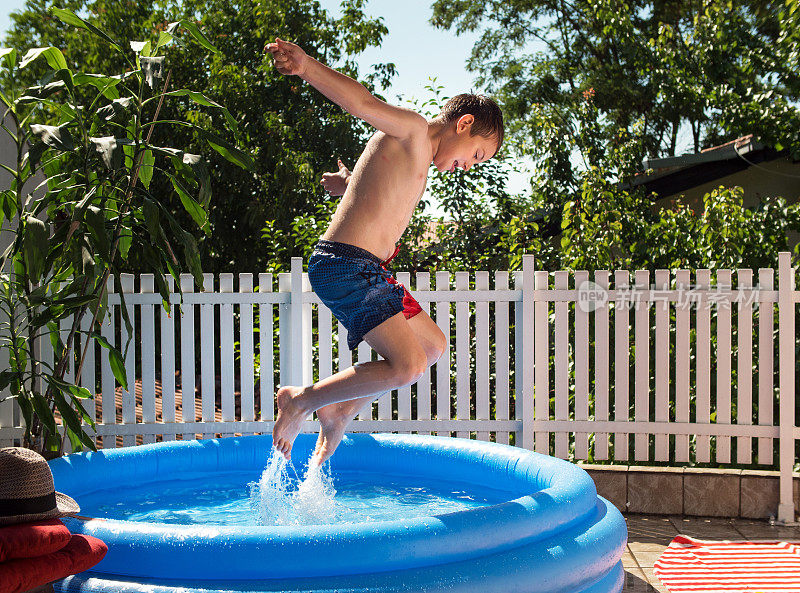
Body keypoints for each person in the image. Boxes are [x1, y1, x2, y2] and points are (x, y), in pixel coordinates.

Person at [264, 37, 504, 467]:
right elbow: (361, 101)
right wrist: (306, 66)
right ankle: (300, 401)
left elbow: (376, 187)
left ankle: (339, 409)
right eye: (477, 154)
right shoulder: (412, 130)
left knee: (431, 346)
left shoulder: (413, 157)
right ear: (463, 123)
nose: (469, 165)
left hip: (369, 269)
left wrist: (349, 183)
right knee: (407, 364)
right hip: (345, 266)